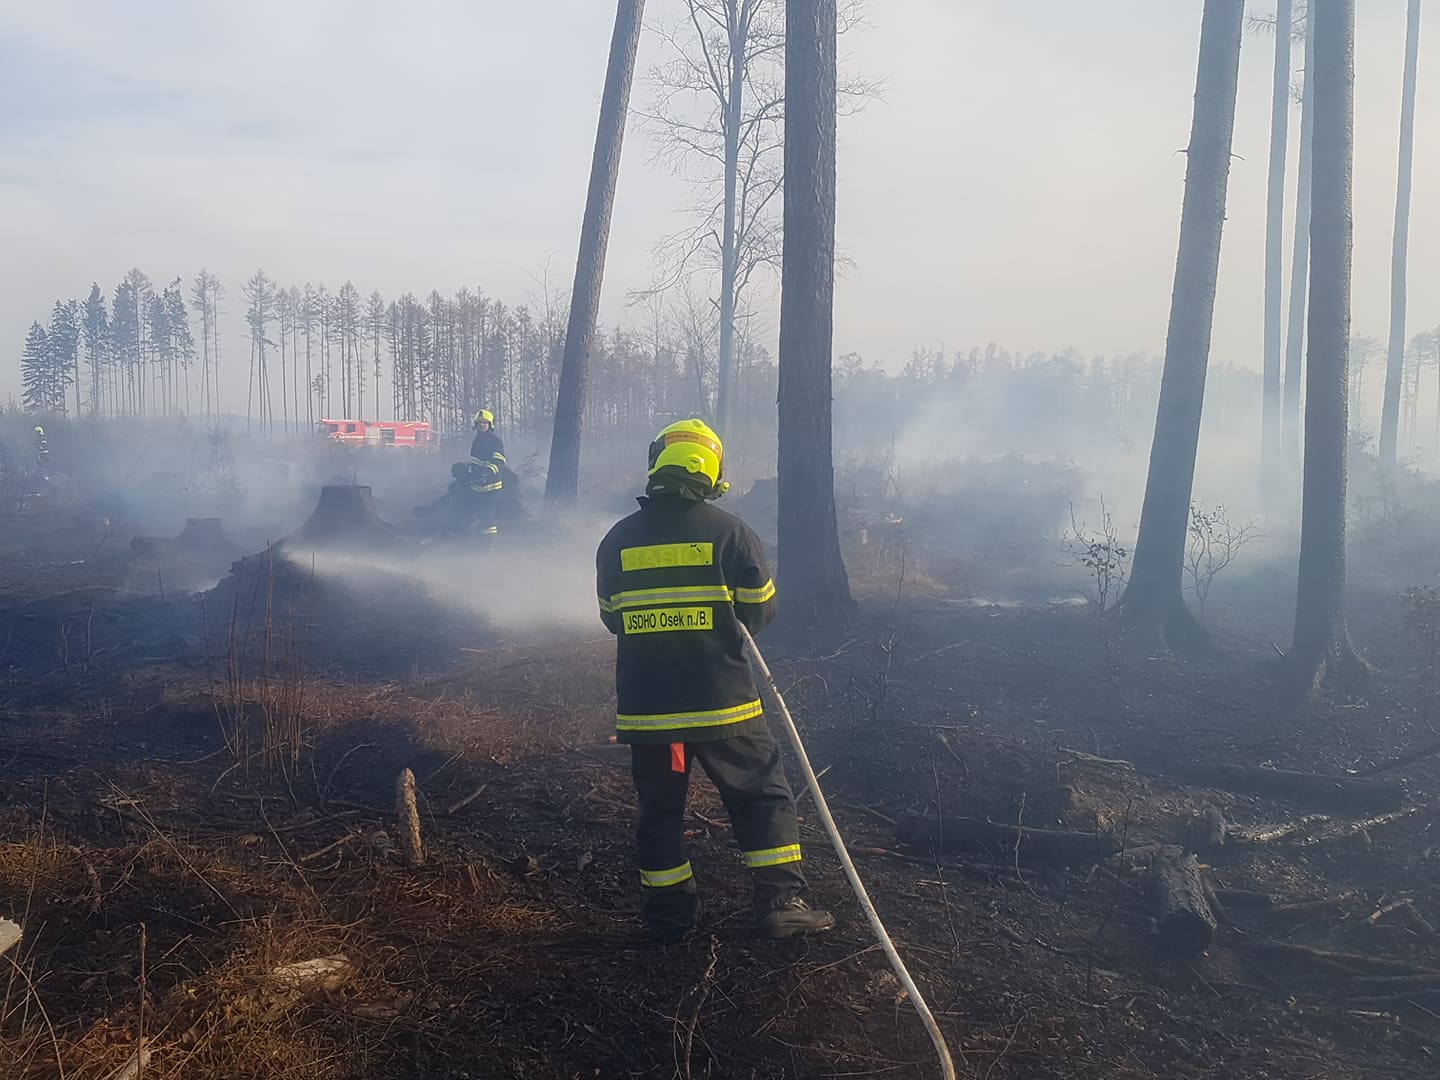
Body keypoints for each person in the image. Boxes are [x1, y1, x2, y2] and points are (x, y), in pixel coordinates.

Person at [595, 418, 835, 942]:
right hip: (723, 705)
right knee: (761, 795)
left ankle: (669, 916)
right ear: (710, 470)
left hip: (651, 712)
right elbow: (758, 611)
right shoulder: (731, 533)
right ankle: (781, 904)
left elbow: (612, 616)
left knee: (660, 809)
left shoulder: (617, 540)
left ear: (658, 463)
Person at [466, 409, 506, 538]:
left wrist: (487, 474)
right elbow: (475, 460)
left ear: (490, 424)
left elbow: (498, 461)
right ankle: (479, 538)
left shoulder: (495, 440)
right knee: (479, 513)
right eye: (479, 423)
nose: (482, 425)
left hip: (491, 485)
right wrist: (469, 472)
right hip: (478, 484)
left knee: (487, 514)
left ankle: (489, 543)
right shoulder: (477, 440)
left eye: (484, 423)